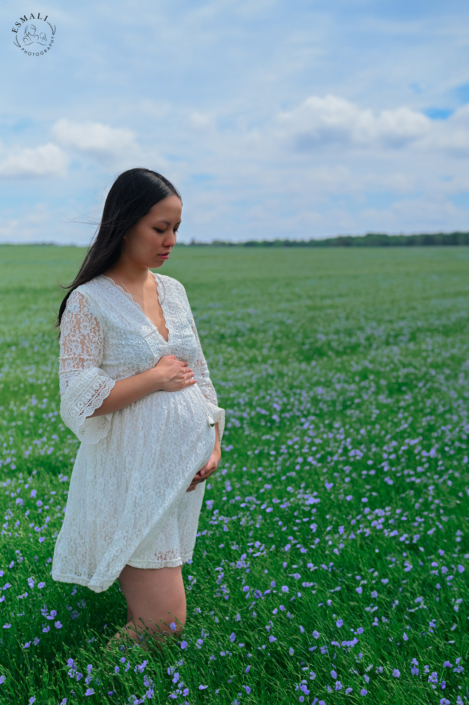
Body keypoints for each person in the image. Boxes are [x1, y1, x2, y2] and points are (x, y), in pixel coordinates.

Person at [51, 168, 225, 653]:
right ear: (125, 224)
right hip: (126, 481)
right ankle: (86, 681)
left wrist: (211, 445)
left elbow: (201, 376)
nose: (171, 240)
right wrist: (154, 379)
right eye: (159, 228)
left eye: (176, 229)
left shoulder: (173, 291)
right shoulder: (89, 301)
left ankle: (123, 684)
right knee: (164, 623)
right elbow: (78, 395)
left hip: (172, 479)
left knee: (152, 619)